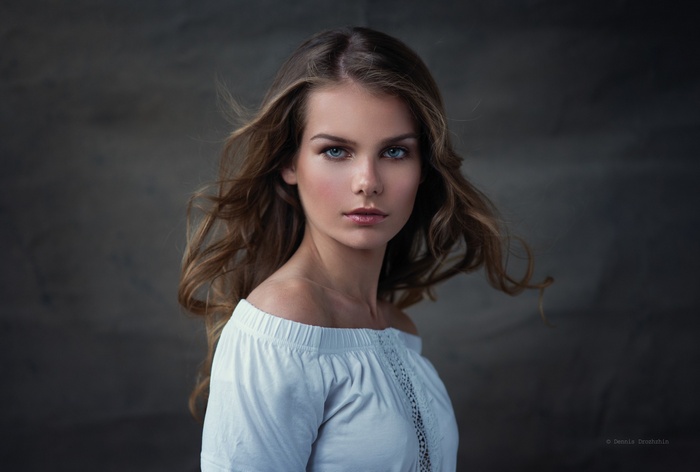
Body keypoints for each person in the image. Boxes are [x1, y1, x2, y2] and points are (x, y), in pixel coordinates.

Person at [179, 26, 552, 472]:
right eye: (336, 151)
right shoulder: (281, 322)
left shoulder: (399, 327)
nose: (368, 182)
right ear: (288, 162)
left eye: (394, 152)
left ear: (423, 167)